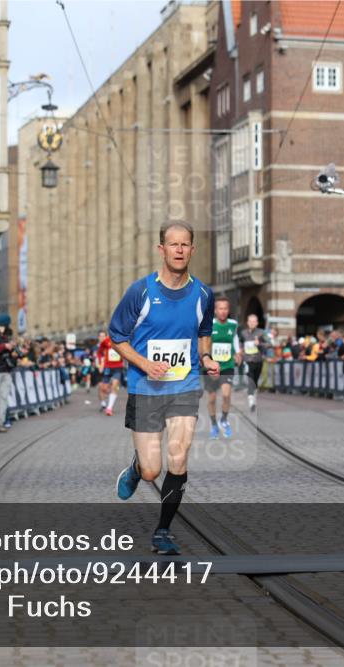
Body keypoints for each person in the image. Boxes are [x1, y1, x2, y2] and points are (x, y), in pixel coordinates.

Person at [110, 221, 218, 556]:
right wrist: (144, 364)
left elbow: (203, 331)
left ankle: (162, 532)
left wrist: (207, 356)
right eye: (173, 245)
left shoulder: (203, 294)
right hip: (145, 388)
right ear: (162, 249)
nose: (179, 250)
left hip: (183, 386)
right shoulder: (140, 292)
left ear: (192, 249)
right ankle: (136, 469)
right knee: (152, 469)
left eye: (185, 245)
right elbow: (116, 338)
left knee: (178, 457)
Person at [204, 297, 240, 439]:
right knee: (212, 399)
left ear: (228, 310)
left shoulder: (233, 324)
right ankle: (213, 425)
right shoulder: (210, 325)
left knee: (226, 395)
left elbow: (235, 338)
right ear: (215, 310)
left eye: (225, 308)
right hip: (212, 366)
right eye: (220, 308)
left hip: (227, 365)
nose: (223, 311)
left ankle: (223, 420)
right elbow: (204, 342)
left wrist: (238, 352)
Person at [238, 313, 268, 412]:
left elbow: (270, 344)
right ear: (247, 322)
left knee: (255, 381)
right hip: (247, 360)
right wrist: (240, 351)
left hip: (258, 360)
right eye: (250, 321)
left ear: (257, 323)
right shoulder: (243, 333)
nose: (251, 323)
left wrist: (259, 344)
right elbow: (240, 343)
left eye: (254, 321)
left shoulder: (261, 333)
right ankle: (251, 402)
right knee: (250, 379)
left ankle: (252, 396)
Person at [96, 330, 124, 416]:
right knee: (103, 388)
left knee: (115, 385)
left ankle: (109, 408)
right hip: (107, 367)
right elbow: (99, 353)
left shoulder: (123, 340)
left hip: (118, 367)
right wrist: (100, 363)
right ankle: (103, 403)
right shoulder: (106, 341)